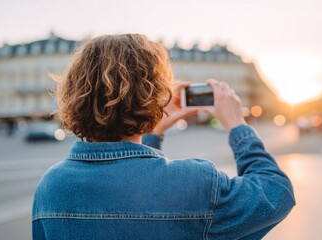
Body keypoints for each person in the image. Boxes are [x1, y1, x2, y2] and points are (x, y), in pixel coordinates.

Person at [32, 34, 295, 240]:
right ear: (155, 95)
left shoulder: (51, 188)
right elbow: (276, 193)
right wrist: (237, 123)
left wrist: (153, 133)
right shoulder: (194, 183)